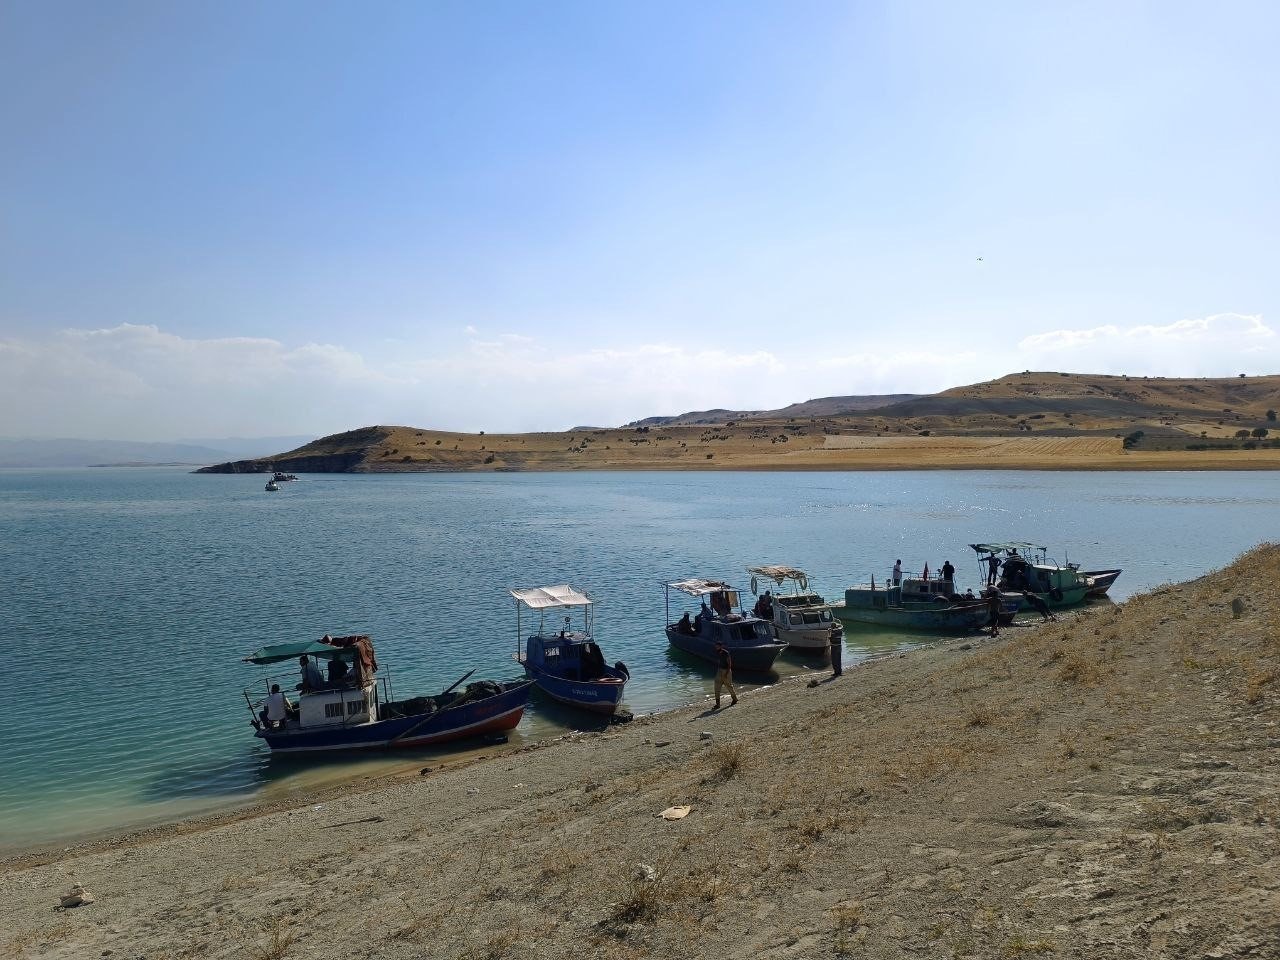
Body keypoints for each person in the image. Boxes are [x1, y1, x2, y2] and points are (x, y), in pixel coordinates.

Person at [713, 639, 738, 708]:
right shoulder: (717, 652)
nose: (716, 647)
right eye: (716, 646)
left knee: (729, 686)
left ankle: (735, 699)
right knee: (716, 686)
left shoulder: (726, 653)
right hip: (719, 670)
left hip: (726, 671)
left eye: (717, 646)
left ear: (721, 646)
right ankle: (717, 704)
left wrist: (726, 673)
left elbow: (729, 664)